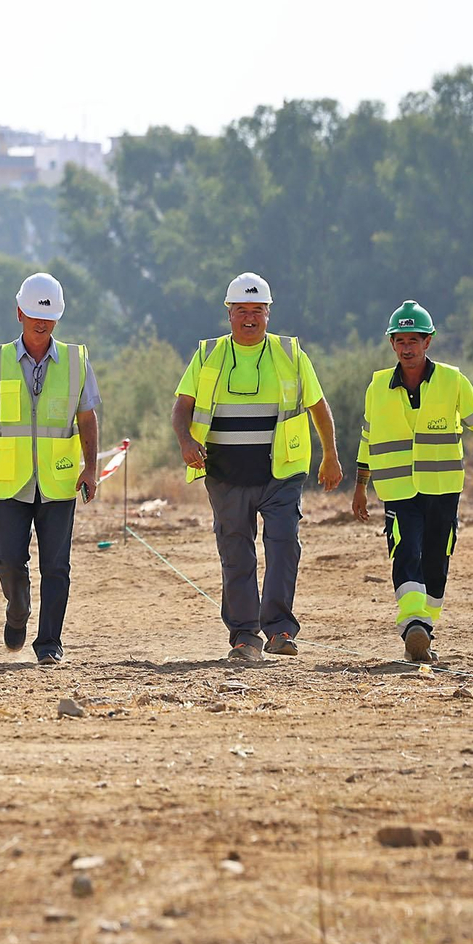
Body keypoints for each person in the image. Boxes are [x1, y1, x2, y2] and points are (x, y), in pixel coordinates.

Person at [170, 272, 344, 662]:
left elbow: (318, 407)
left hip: (281, 473)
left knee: (283, 545)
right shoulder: (208, 354)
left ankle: (280, 629)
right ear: (229, 314)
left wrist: (330, 455)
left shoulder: (291, 354)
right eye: (242, 310)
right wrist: (185, 441)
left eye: (257, 310)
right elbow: (182, 407)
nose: (250, 318)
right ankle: (245, 637)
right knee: (237, 554)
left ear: (268, 313)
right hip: (224, 474)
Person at [0, 272, 101, 665]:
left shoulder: (76, 361)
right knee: (8, 560)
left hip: (58, 479)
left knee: (56, 567)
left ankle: (49, 643)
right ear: (19, 312)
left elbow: (87, 418)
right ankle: (17, 610)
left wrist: (90, 468)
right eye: (36, 315)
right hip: (10, 480)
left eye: (49, 317)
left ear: (58, 317)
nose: (42, 323)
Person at [351, 300, 473, 662]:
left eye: (413, 341)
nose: (407, 348)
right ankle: (413, 623)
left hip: (443, 489)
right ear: (392, 344)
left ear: (427, 341)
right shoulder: (377, 387)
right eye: (400, 341)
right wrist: (360, 486)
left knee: (436, 561)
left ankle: (424, 631)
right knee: (405, 552)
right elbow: (368, 437)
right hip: (398, 489)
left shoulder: (452, 380)